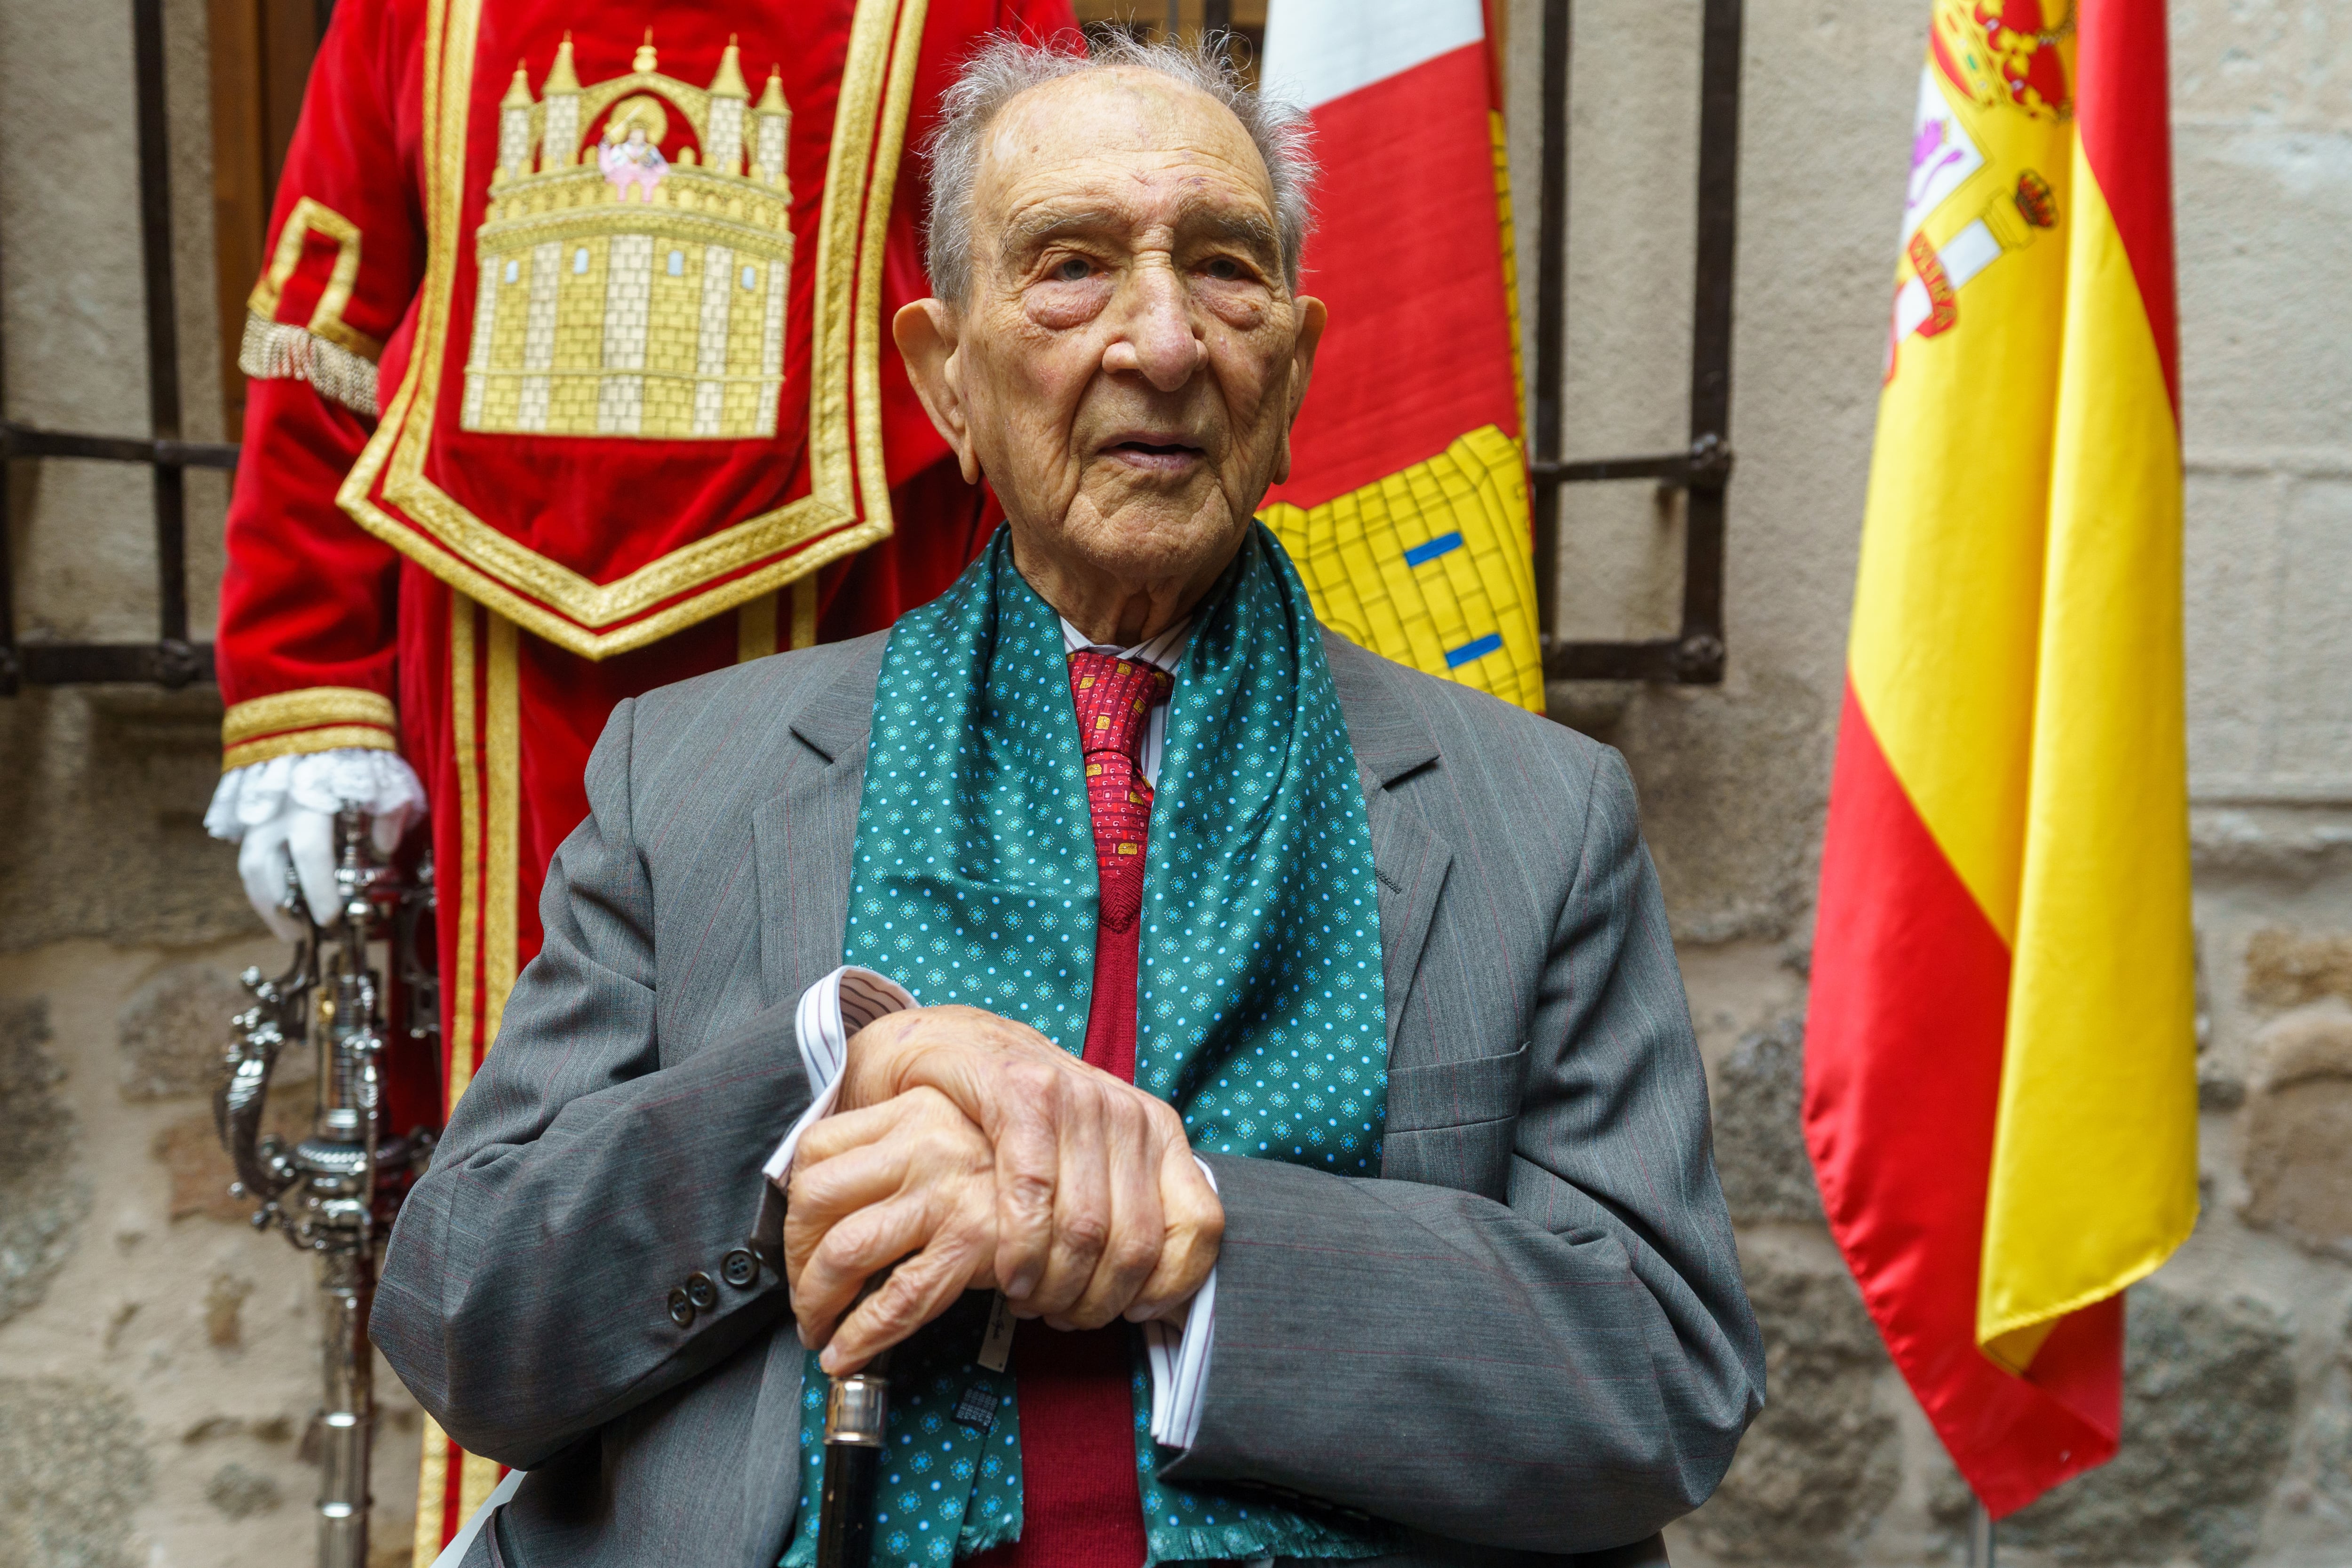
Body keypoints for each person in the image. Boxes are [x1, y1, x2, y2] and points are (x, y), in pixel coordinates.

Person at [373, 32, 1764, 1568]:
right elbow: (464, 1320)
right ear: (945, 375)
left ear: (1291, 371)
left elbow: (1663, 1378)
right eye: (1072, 267)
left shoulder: (1531, 817)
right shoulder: (689, 776)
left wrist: (1194, 1240)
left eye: (1225, 269)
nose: (1162, 342)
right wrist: (823, 1090)